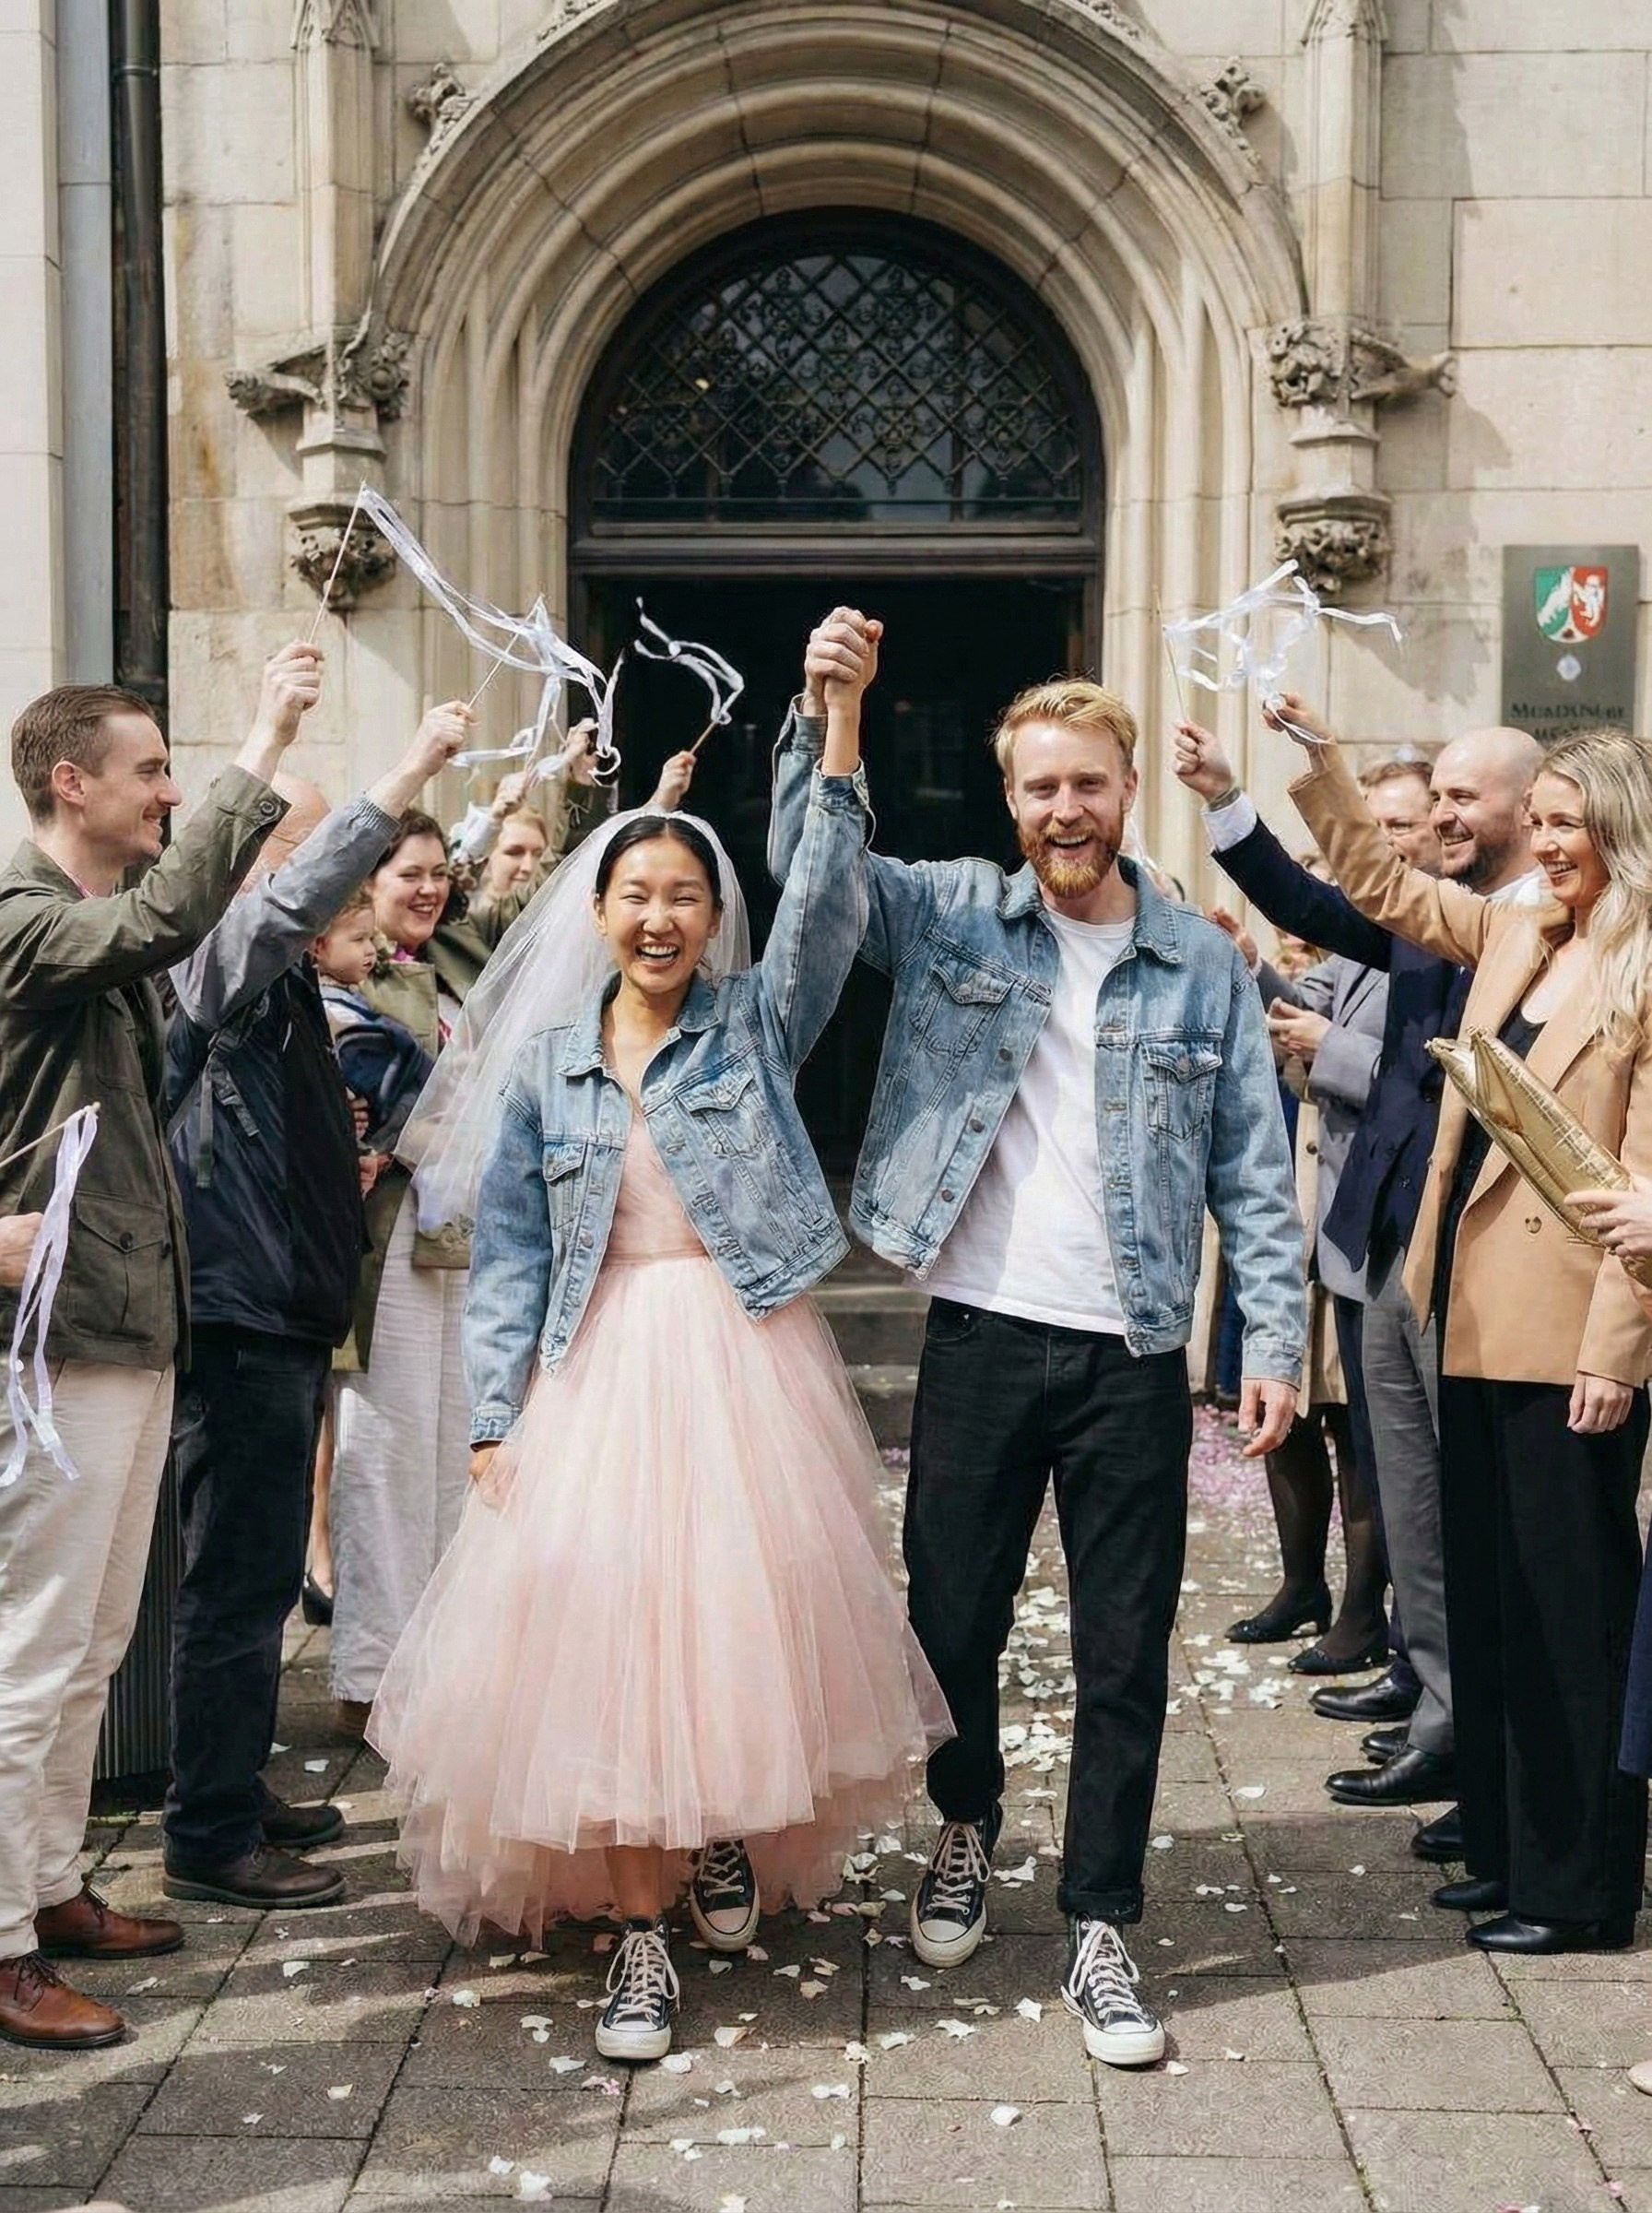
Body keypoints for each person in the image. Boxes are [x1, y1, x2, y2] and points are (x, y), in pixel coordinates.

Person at [370, 625, 945, 2066]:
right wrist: (496, 1420)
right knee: (612, 1637)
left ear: (710, 913)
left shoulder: (754, 1029)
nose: (661, 916)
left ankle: (724, 1836)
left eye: (687, 893)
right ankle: (639, 1938)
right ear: (599, 908)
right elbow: (507, 1258)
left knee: (745, 1628)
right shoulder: (554, 1065)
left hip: (745, 1351)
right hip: (595, 1363)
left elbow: (820, 904)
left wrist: (840, 725)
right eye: (637, 891)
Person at [771, 613, 1305, 2067]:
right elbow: (813, 885)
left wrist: (1269, 1335)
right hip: (984, 1334)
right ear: (1008, 802)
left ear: (1127, 789)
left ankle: (1100, 1921)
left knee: (1128, 1651)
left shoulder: (1199, 961)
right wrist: (834, 712)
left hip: (1130, 1347)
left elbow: (1255, 1166)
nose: (1063, 810)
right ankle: (965, 1824)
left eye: (1087, 784)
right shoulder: (950, 911)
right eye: (1037, 788)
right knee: (952, 1625)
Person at [1284, 697, 1652, 1953]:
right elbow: (1385, 887)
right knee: (1494, 1607)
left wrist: (1615, 1357)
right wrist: (1321, 762)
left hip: (1573, 1337)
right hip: (1473, 1312)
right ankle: (1505, 1851)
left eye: (1570, 822)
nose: (1548, 843)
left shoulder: (1645, 962)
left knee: (1570, 1617)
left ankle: (1580, 1885)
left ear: (1622, 829)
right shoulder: (1518, 931)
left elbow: (1642, 1187)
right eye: (1539, 820)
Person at [0, 649, 310, 2051]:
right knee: (33, 1645)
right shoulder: (21, 912)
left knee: (95, 1637)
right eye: (151, 771)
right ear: (72, 783)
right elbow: (176, 919)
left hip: (128, 1320)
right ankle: (1, 1944)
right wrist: (265, 736)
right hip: (56, 1337)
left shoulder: (85, 916)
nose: (171, 792)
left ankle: (53, 1888)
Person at [1175, 721, 1541, 1835]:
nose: (1438, 818)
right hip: (1377, 1232)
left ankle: (1464, 1722)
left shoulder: (1529, 928)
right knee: (1413, 1503)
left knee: (1451, 1505)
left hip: (1463, 1254)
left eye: (1459, 798)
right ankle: (1434, 1704)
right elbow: (1336, 904)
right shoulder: (1445, 914)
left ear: (1530, 810)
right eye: (1433, 798)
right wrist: (1232, 802)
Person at [158, 700, 476, 1914]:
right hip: (236, 1309)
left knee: (248, 1575)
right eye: (285, 854)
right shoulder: (212, 958)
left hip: (277, 1301)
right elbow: (298, 898)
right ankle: (209, 1835)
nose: (307, 878)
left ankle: (227, 1790)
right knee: (236, 1581)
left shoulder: (274, 974)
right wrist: (403, 773)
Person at [327, 750, 699, 1719]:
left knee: (472, 1452)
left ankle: (450, 1671)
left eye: (435, 873)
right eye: (404, 874)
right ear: (363, 888)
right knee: (389, 1457)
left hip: (477, 1238)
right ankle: (373, 1677)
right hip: (393, 1238)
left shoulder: (461, 957)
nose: (426, 888)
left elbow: (554, 909)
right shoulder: (358, 982)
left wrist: (603, 795)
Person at [1218, 917, 1390, 1675]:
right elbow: (1291, 1018)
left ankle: (1361, 1613)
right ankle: (1301, 1586)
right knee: (1284, 1415)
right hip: (1299, 1216)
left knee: (1356, 1429)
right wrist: (1254, 963)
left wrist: (1332, 1047)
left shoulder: (1430, 938)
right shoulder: (1351, 946)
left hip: (1363, 1223)